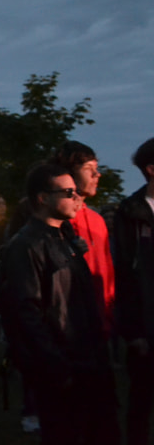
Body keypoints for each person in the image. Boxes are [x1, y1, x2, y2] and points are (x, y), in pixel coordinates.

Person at [0, 163, 118, 445]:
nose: (77, 198)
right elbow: (26, 312)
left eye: (75, 191)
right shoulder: (25, 246)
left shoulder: (65, 239)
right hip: (63, 367)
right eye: (68, 192)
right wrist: (56, 365)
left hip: (87, 361)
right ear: (43, 198)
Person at [49, 141, 115, 336]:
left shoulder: (97, 221)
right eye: (89, 169)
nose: (97, 175)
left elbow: (107, 274)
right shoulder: (55, 219)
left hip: (100, 323)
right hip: (69, 326)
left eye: (97, 168)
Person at [113, 137, 154, 445]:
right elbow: (124, 275)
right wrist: (134, 331)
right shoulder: (131, 213)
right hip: (146, 326)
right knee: (141, 401)